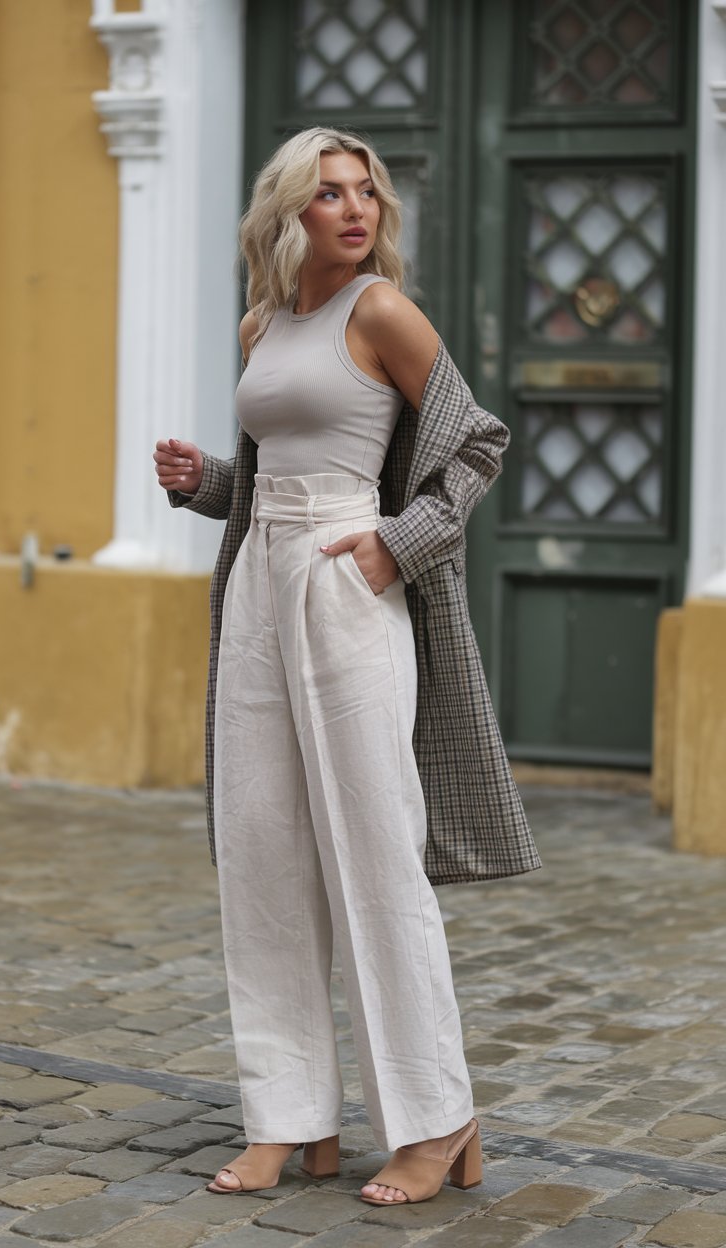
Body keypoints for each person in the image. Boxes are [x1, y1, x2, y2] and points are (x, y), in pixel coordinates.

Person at [153, 126, 541, 1206]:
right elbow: (275, 475)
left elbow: (477, 441)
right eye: (329, 194)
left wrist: (396, 542)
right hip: (258, 591)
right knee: (263, 852)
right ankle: (290, 1117)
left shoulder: (381, 311)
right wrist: (204, 482)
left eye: (365, 192)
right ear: (289, 212)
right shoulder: (264, 323)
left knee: (374, 853)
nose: (354, 209)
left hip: (344, 585)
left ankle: (435, 1116)